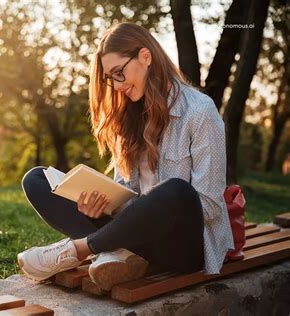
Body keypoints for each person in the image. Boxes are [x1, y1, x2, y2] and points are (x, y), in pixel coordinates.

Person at [17, 22, 234, 291]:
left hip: (182, 247)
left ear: (145, 57)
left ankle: (78, 250)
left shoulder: (200, 112)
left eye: (119, 73)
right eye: (111, 78)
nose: (117, 85)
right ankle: (120, 254)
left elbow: (209, 206)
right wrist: (100, 203)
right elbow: (126, 192)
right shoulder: (129, 116)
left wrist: (148, 210)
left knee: (177, 191)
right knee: (37, 180)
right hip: (134, 235)